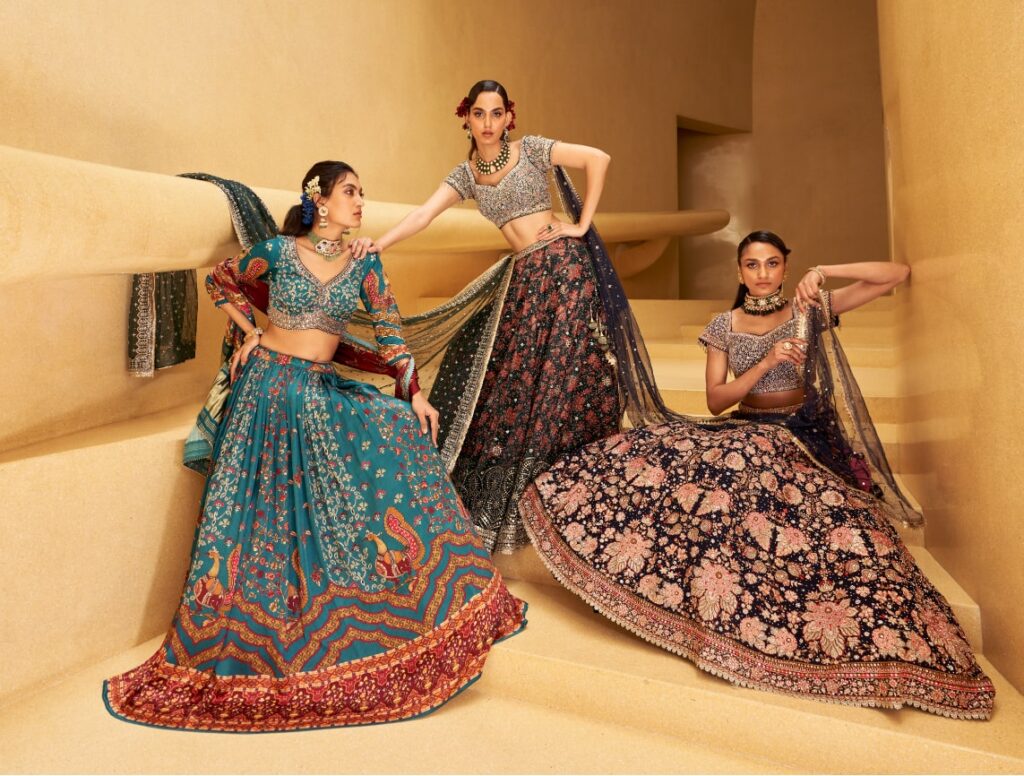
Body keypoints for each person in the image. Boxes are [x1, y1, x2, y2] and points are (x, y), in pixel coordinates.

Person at [104, 161, 526, 732]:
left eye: (362, 193)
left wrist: (416, 394)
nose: (361, 202)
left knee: (398, 427)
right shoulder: (278, 253)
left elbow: (390, 333)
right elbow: (221, 280)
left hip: (317, 392)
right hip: (265, 394)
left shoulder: (364, 262)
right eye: (351, 191)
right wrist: (251, 330)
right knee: (260, 521)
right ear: (320, 201)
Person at [519, 231, 995, 719]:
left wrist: (825, 272)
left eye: (772, 263)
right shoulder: (723, 326)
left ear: (785, 268)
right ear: (739, 271)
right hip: (748, 426)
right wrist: (767, 361)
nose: (762, 273)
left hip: (805, 432)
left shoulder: (809, 309)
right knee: (690, 463)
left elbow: (895, 275)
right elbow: (716, 400)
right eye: (752, 264)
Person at [365, 79, 654, 553]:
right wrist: (380, 244)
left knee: (567, 373)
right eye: (479, 114)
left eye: (496, 113)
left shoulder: (532, 149)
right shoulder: (466, 175)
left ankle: (581, 485)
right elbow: (423, 215)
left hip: (564, 268)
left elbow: (597, 158)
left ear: (508, 117)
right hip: (526, 277)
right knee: (519, 380)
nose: (488, 123)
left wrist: (581, 225)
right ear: (466, 118)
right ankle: (533, 499)